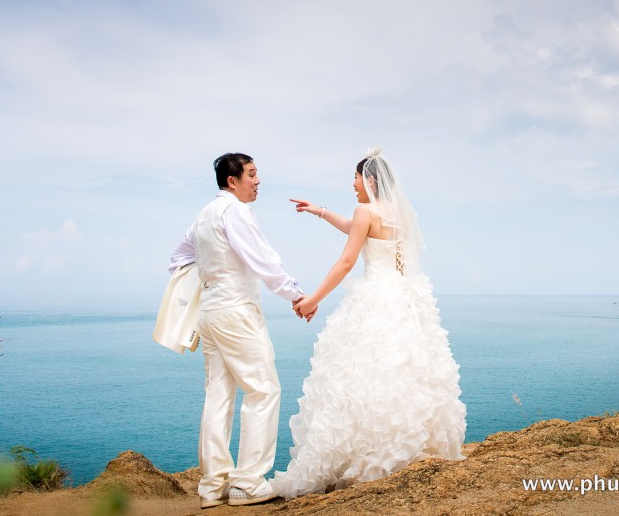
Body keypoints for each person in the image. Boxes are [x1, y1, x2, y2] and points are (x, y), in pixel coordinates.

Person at [270, 147, 466, 498]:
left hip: (375, 296)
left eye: (356, 177)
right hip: (405, 297)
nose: (353, 184)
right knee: (403, 373)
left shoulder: (365, 211)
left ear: (370, 180)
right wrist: (320, 211)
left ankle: (365, 454)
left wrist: (313, 299)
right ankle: (402, 448)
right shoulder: (400, 215)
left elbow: (347, 260)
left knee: (361, 376)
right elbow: (353, 228)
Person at [169, 153, 311, 508]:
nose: (258, 181)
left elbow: (178, 258)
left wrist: (210, 277)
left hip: (210, 312)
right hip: (236, 312)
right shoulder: (235, 211)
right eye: (251, 174)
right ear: (232, 181)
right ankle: (248, 483)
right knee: (263, 389)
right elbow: (263, 259)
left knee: (218, 395)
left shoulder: (204, 215)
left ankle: (212, 486)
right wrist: (295, 294)